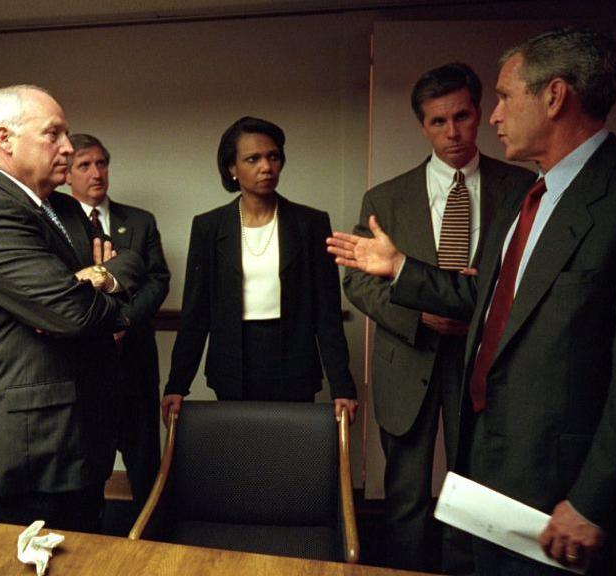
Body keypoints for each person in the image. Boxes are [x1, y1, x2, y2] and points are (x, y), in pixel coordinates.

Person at [328, 27, 616, 574]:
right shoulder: (533, 199)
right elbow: (487, 296)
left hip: (570, 486)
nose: (492, 117)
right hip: (495, 459)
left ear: (555, 96)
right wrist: (399, 268)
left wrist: (594, 500)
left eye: (502, 98)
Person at [344, 62, 534, 573]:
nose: (452, 132)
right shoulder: (385, 197)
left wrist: (474, 314)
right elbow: (358, 281)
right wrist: (419, 317)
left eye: (463, 116)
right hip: (408, 360)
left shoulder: (522, 189)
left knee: (473, 498)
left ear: (479, 114)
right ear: (422, 125)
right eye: (437, 121)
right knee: (405, 497)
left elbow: (533, 282)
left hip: (486, 365)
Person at [0, 85, 143, 533]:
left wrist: (98, 278)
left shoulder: (65, 207)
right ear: (5, 139)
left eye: (67, 134)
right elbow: (72, 314)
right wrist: (88, 294)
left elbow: (131, 262)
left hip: (83, 440)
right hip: (32, 454)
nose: (69, 148)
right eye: (53, 133)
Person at [162, 116, 357, 423]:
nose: (266, 167)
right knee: (239, 457)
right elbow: (195, 313)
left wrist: (342, 386)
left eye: (273, 156)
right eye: (252, 159)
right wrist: (177, 385)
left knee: (292, 459)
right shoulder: (209, 227)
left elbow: (327, 313)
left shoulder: (311, 223)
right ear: (232, 168)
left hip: (293, 359)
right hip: (233, 362)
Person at [66, 133, 170, 506]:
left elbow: (158, 280)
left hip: (135, 365)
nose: (97, 173)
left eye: (101, 163)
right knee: (87, 472)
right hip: (85, 371)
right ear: (67, 174)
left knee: (146, 468)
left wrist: (122, 322)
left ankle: (154, 550)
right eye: (84, 165)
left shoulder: (139, 222)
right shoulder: (59, 226)